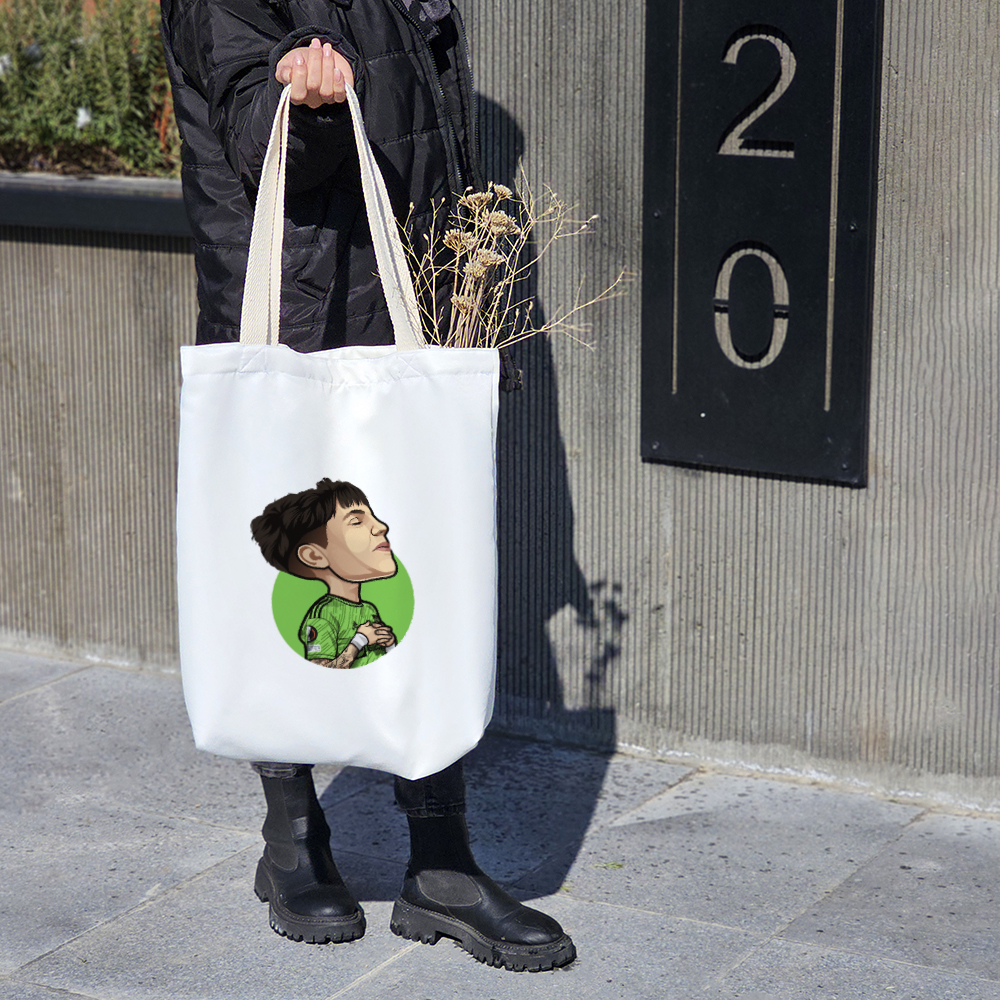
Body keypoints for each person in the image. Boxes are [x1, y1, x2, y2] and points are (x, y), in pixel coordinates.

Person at [159, 0, 575, 973]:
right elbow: (255, 134)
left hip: (399, 299)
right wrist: (301, 104)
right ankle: (293, 837)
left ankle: (441, 860)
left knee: (420, 558)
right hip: (298, 303)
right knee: (289, 574)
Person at [251, 479, 398, 668]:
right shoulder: (322, 616)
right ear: (314, 556)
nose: (381, 526)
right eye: (356, 521)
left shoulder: (369, 610)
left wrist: (390, 643)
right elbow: (321, 669)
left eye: (373, 517)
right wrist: (360, 639)